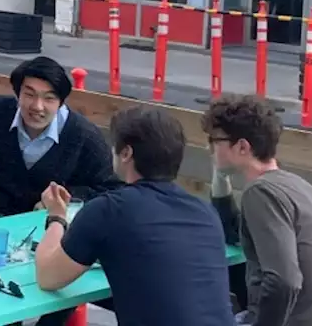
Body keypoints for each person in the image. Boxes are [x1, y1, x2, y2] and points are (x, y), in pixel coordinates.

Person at [35, 106, 236, 326]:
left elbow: (47, 277)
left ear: (126, 153)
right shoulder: (205, 212)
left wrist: (56, 217)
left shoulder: (108, 210)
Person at [203, 96, 312, 326]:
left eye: (214, 140)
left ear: (242, 147)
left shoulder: (261, 193)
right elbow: (233, 232)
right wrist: (219, 175)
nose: (207, 147)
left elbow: (284, 281)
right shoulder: (293, 185)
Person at [0, 56, 121, 220]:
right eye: (29, 94)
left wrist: (63, 198)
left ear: (61, 102)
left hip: (55, 222)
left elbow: (111, 188)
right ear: (17, 94)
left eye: (49, 98)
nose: (38, 106)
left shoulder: (84, 135)